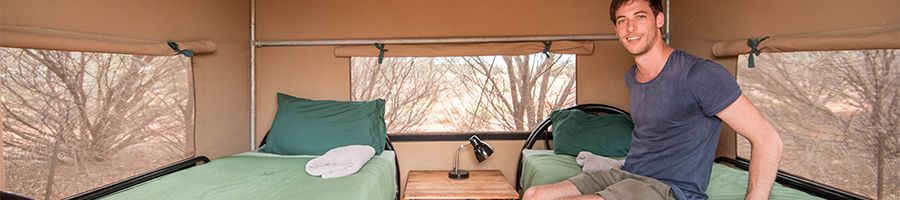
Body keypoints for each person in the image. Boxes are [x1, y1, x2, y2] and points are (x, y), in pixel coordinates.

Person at [521, 0, 783, 199]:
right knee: (534, 194)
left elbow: (768, 140)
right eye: (622, 20)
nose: (630, 28)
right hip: (627, 174)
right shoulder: (632, 78)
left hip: (667, 187)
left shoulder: (700, 75)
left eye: (640, 17)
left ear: (659, 20)